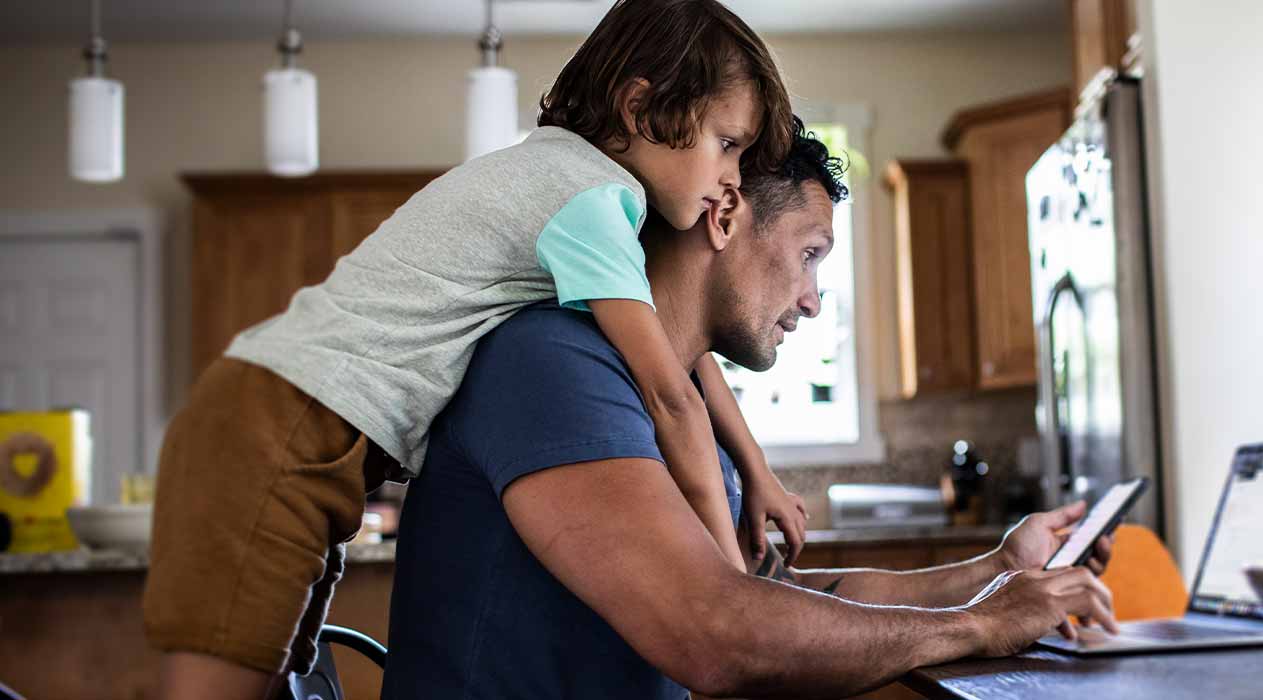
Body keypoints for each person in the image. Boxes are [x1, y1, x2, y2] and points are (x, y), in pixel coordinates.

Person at [143, 1, 809, 696]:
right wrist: (731, 592)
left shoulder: (570, 181)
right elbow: (669, 395)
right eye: (726, 144)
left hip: (289, 428)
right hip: (275, 428)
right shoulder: (591, 199)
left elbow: (679, 354)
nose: (731, 178)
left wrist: (755, 469)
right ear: (641, 107)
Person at [381, 122, 1120, 699]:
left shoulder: (686, 396)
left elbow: (772, 600)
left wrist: (996, 573)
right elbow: (717, 633)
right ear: (725, 214)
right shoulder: (551, 362)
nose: (812, 299)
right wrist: (981, 624)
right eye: (809, 254)